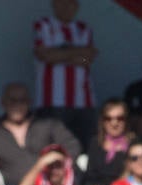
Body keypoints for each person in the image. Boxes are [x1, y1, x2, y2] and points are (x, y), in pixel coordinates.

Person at [0, 82, 82, 185]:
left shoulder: (47, 124)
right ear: (3, 103)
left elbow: (73, 146)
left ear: (29, 102)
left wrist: (56, 161)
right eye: (13, 101)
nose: (17, 105)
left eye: (22, 101)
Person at [32, 0, 98, 148]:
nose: (67, 7)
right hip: (52, 101)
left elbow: (89, 58)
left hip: (84, 102)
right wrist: (77, 53)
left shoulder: (83, 29)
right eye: (62, 2)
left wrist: (59, 53)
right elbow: (44, 55)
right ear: (54, 4)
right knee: (54, 148)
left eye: (71, 3)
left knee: (85, 147)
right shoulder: (44, 25)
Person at [80, 98, 131, 185]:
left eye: (120, 118)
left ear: (126, 120)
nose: (114, 123)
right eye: (108, 118)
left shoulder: (134, 145)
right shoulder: (95, 143)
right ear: (102, 121)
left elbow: (133, 179)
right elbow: (89, 176)